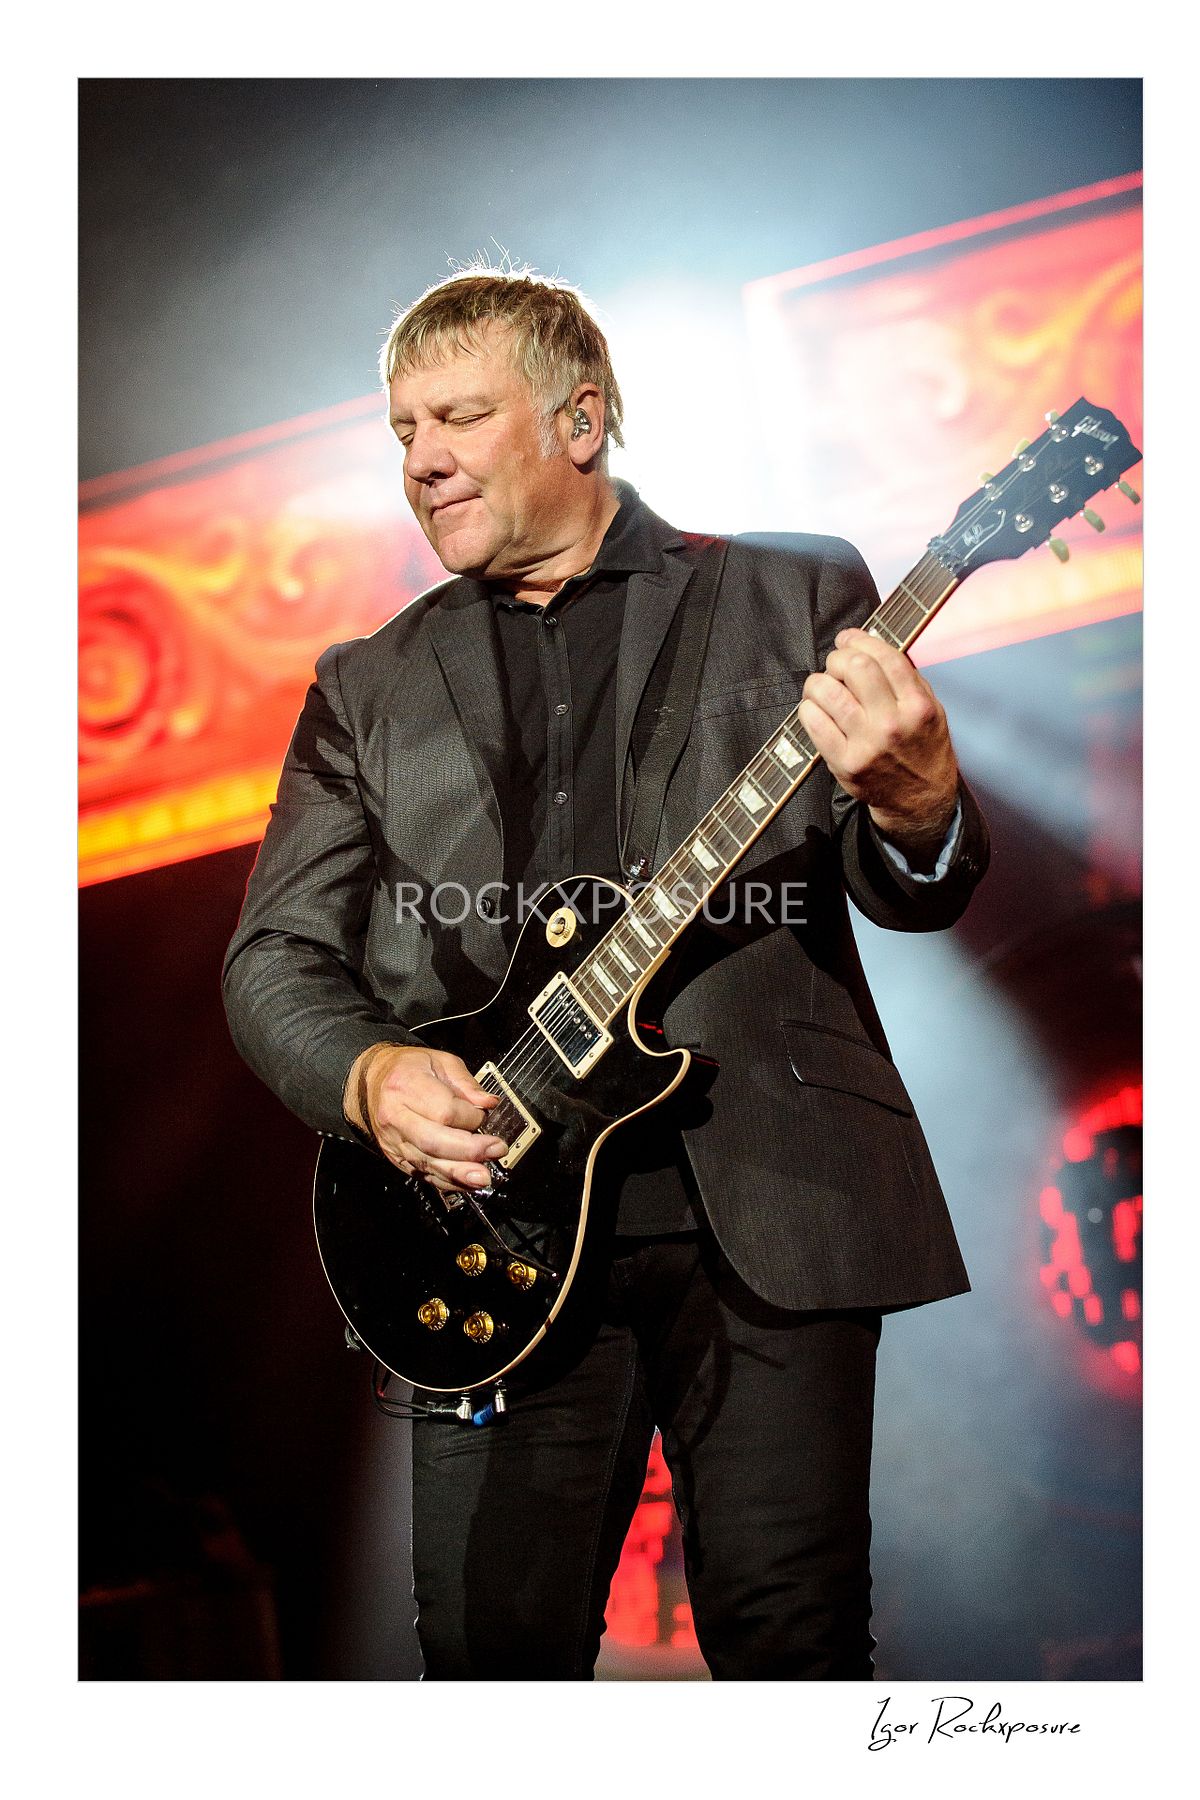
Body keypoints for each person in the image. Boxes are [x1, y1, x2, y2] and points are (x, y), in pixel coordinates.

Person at [223, 265, 989, 1680]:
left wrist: (922, 805)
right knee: (491, 1670)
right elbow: (275, 955)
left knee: (796, 1649)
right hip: (485, 1233)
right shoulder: (365, 682)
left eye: (456, 416)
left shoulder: (789, 587)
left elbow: (911, 887)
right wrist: (371, 1074)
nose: (422, 459)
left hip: (768, 1201)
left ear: (580, 423)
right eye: (400, 431)